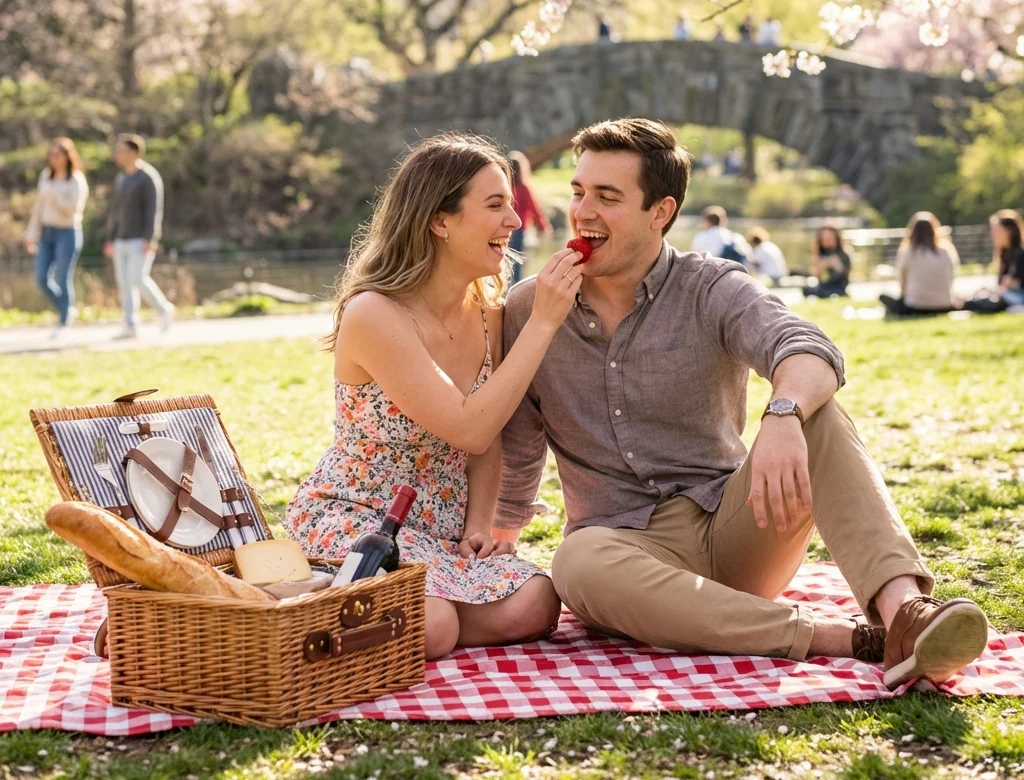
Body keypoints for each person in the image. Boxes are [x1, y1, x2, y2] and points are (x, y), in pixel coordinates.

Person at [494, 117, 989, 691]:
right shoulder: (532, 306)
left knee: (818, 413)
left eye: (608, 197)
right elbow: (521, 435)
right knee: (574, 562)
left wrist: (782, 416)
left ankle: (906, 613)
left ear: (661, 212)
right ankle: (848, 638)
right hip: (621, 550)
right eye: (579, 192)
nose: (583, 212)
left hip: (735, 525)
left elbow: (809, 347)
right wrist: (500, 532)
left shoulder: (711, 286)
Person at [287, 134, 582, 660]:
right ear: (439, 220)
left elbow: (484, 440)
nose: (513, 222)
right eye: (495, 206)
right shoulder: (375, 314)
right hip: (360, 516)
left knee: (538, 602)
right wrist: (543, 323)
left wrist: (477, 525)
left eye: (510, 205)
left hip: (441, 534)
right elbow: (467, 426)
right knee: (433, 625)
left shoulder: (487, 310)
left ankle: (370, 612)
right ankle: (293, 610)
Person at [103, 134, 174, 339]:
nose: (118, 155)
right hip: (120, 239)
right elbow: (115, 211)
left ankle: (164, 309)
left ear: (134, 152)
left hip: (139, 239)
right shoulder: (121, 178)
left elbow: (154, 210)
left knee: (138, 277)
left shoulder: (148, 177)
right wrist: (110, 238)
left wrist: (150, 238)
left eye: (122, 150)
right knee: (124, 283)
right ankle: (130, 324)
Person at [24, 137, 89, 339]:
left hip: (67, 232)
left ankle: (63, 319)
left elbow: (74, 210)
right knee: (42, 277)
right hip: (47, 232)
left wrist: (55, 196)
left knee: (62, 276)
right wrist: (31, 234)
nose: (54, 158)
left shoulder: (76, 180)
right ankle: (66, 307)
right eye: (51, 154)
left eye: (58, 154)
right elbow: (38, 208)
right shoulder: (46, 177)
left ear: (67, 157)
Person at [879, 213, 959, 317]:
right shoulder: (946, 251)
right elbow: (952, 277)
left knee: (883, 297)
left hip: (915, 306)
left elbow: (902, 284)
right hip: (945, 305)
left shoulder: (908, 252)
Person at [962, 209, 1024, 314]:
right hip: (1006, 296)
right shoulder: (1004, 254)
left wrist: (1012, 283)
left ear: (1009, 231)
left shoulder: (1020, 254)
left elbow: (1017, 283)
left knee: (975, 303)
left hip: (1017, 298)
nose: (993, 235)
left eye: (997, 231)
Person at [508, 151, 552, 285]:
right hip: (519, 230)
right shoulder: (523, 188)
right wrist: (544, 226)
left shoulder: (505, 188)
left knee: (505, 261)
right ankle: (515, 289)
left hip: (503, 229)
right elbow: (534, 208)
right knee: (517, 263)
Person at [802, 226, 851, 298]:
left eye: (829, 237)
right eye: (823, 238)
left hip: (838, 287)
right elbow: (817, 276)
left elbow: (843, 275)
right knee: (806, 289)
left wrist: (835, 264)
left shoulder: (843, 253)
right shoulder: (821, 253)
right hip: (824, 286)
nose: (826, 240)